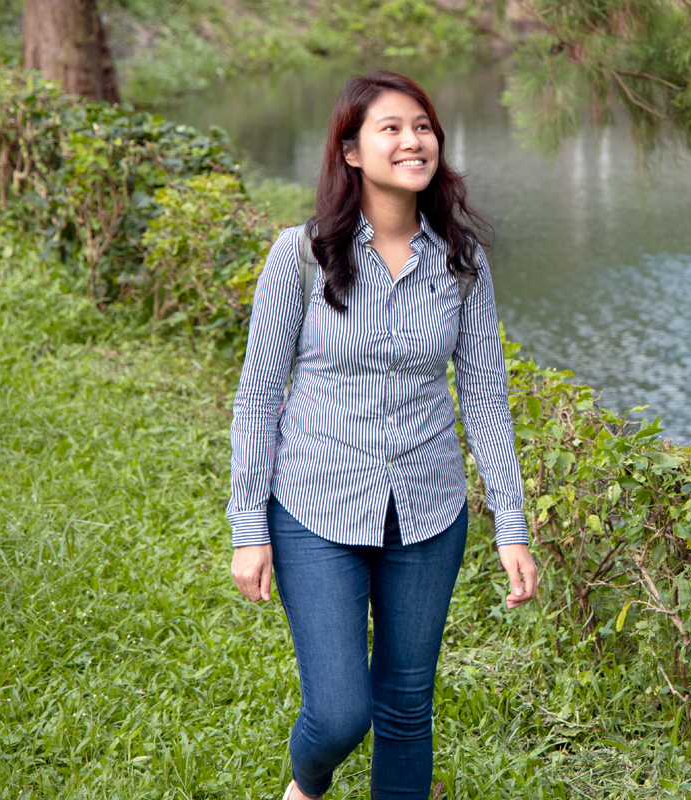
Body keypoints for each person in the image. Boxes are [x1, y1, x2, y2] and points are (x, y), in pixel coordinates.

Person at [226, 70, 538, 800]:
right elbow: (259, 396)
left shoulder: (461, 264)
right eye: (391, 127)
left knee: (405, 708)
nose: (413, 140)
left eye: (423, 126)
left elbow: (487, 397)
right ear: (353, 151)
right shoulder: (298, 256)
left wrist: (511, 524)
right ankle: (306, 787)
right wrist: (248, 526)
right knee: (339, 712)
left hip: (429, 513)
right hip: (314, 508)